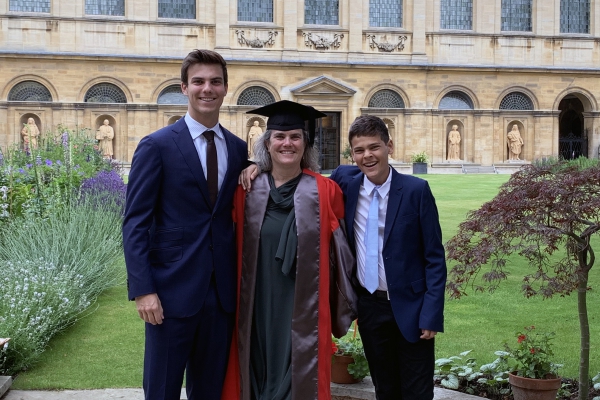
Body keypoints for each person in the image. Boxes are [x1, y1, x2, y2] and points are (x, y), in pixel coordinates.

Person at [122, 49, 249, 400]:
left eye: (215, 82)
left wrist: (258, 167)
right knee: (161, 390)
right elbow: (135, 222)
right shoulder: (157, 145)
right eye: (198, 82)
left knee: (209, 391)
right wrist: (143, 289)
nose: (206, 89)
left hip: (221, 296)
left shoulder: (238, 150)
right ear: (184, 87)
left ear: (225, 88)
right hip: (168, 294)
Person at [222, 100, 357, 400]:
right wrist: (252, 168)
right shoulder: (246, 189)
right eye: (279, 137)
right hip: (256, 300)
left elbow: (341, 252)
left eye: (295, 137)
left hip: (305, 304)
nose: (287, 143)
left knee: (300, 371)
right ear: (267, 143)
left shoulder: (326, 190)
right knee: (253, 365)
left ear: (305, 144)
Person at [330, 115, 446, 400]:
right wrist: (259, 165)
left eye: (374, 147)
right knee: (385, 390)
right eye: (359, 150)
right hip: (370, 307)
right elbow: (303, 179)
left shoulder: (416, 191)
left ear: (389, 146)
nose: (367, 156)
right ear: (352, 154)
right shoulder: (345, 181)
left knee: (417, 392)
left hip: (413, 308)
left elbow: (434, 257)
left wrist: (431, 313)